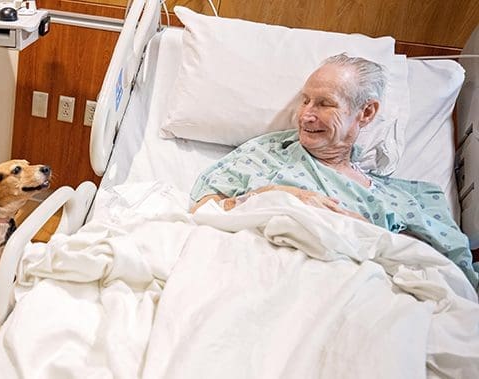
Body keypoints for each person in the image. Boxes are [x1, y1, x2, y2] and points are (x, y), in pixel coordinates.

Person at [190, 54, 479, 289]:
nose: (305, 115)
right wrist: (275, 196)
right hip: (264, 277)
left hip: (363, 292)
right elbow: (203, 210)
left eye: (324, 103)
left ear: (366, 113)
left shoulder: (408, 198)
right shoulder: (265, 155)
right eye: (305, 100)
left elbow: (450, 273)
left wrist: (366, 232)